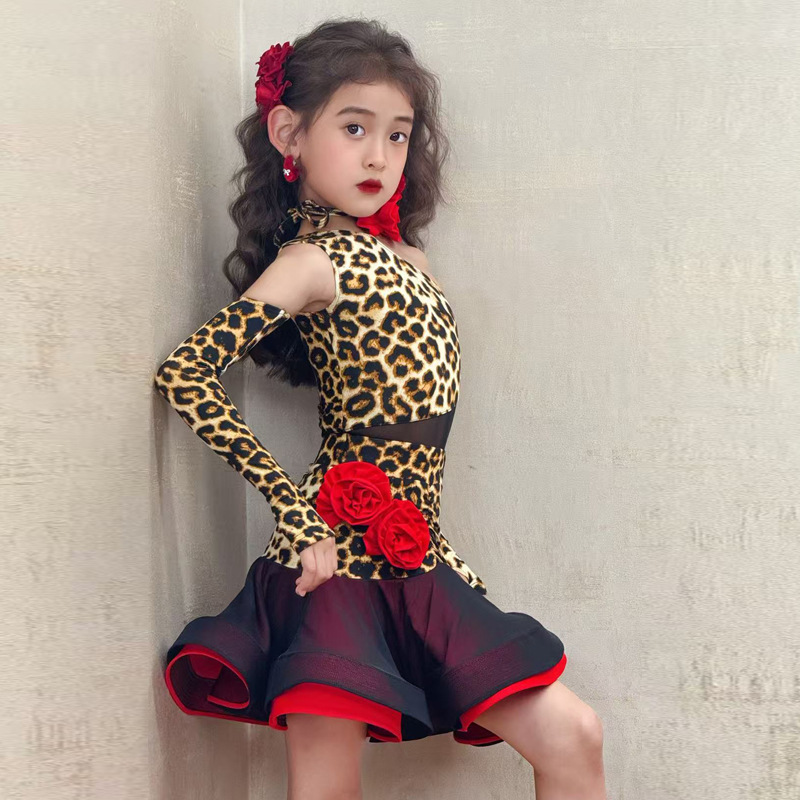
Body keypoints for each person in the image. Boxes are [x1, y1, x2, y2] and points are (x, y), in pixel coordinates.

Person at [153, 17, 607, 800]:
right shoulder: (310, 262)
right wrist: (294, 513)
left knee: (573, 734)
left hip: (416, 555)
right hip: (332, 566)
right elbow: (186, 372)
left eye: (398, 135)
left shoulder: (410, 262)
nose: (378, 156)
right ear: (289, 134)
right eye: (355, 127)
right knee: (328, 789)